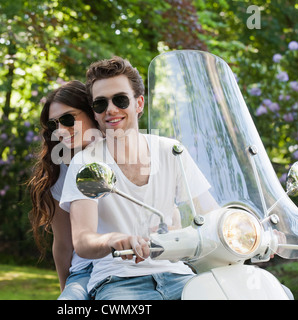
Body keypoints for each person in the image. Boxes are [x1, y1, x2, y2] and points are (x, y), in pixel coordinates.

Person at [59, 57, 214, 300]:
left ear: (139, 103)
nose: (110, 109)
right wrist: (113, 239)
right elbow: (82, 240)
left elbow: (211, 214)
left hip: (178, 274)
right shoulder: (86, 163)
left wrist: (249, 230)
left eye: (120, 100)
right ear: (95, 114)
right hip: (119, 281)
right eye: (100, 104)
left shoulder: (171, 151)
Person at [28, 80, 102, 300]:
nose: (60, 131)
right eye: (53, 125)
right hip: (85, 271)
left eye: (68, 119)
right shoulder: (58, 172)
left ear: (91, 113)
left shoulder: (123, 154)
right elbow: (63, 243)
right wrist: (66, 290)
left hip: (125, 263)